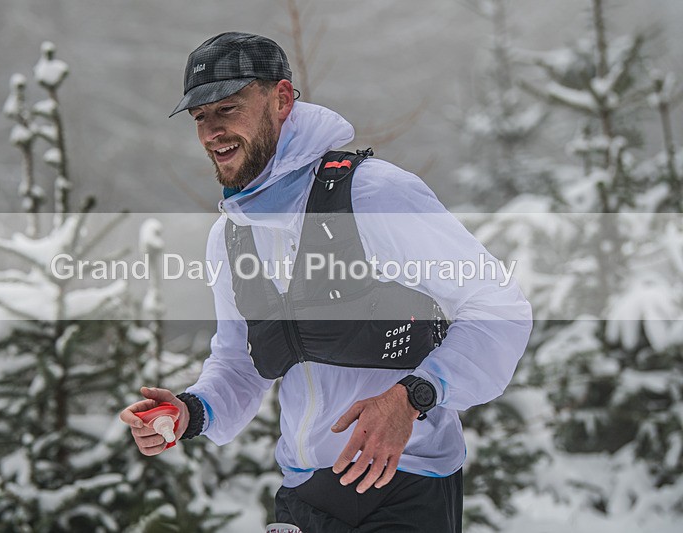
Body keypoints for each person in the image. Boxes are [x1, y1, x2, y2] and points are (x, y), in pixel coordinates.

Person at [120, 32, 532, 532]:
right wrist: (191, 411)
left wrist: (413, 396)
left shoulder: (373, 194)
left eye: (227, 109)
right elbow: (240, 362)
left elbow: (498, 305)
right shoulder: (232, 237)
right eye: (200, 117)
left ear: (282, 99)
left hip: (404, 487)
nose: (212, 132)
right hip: (305, 494)